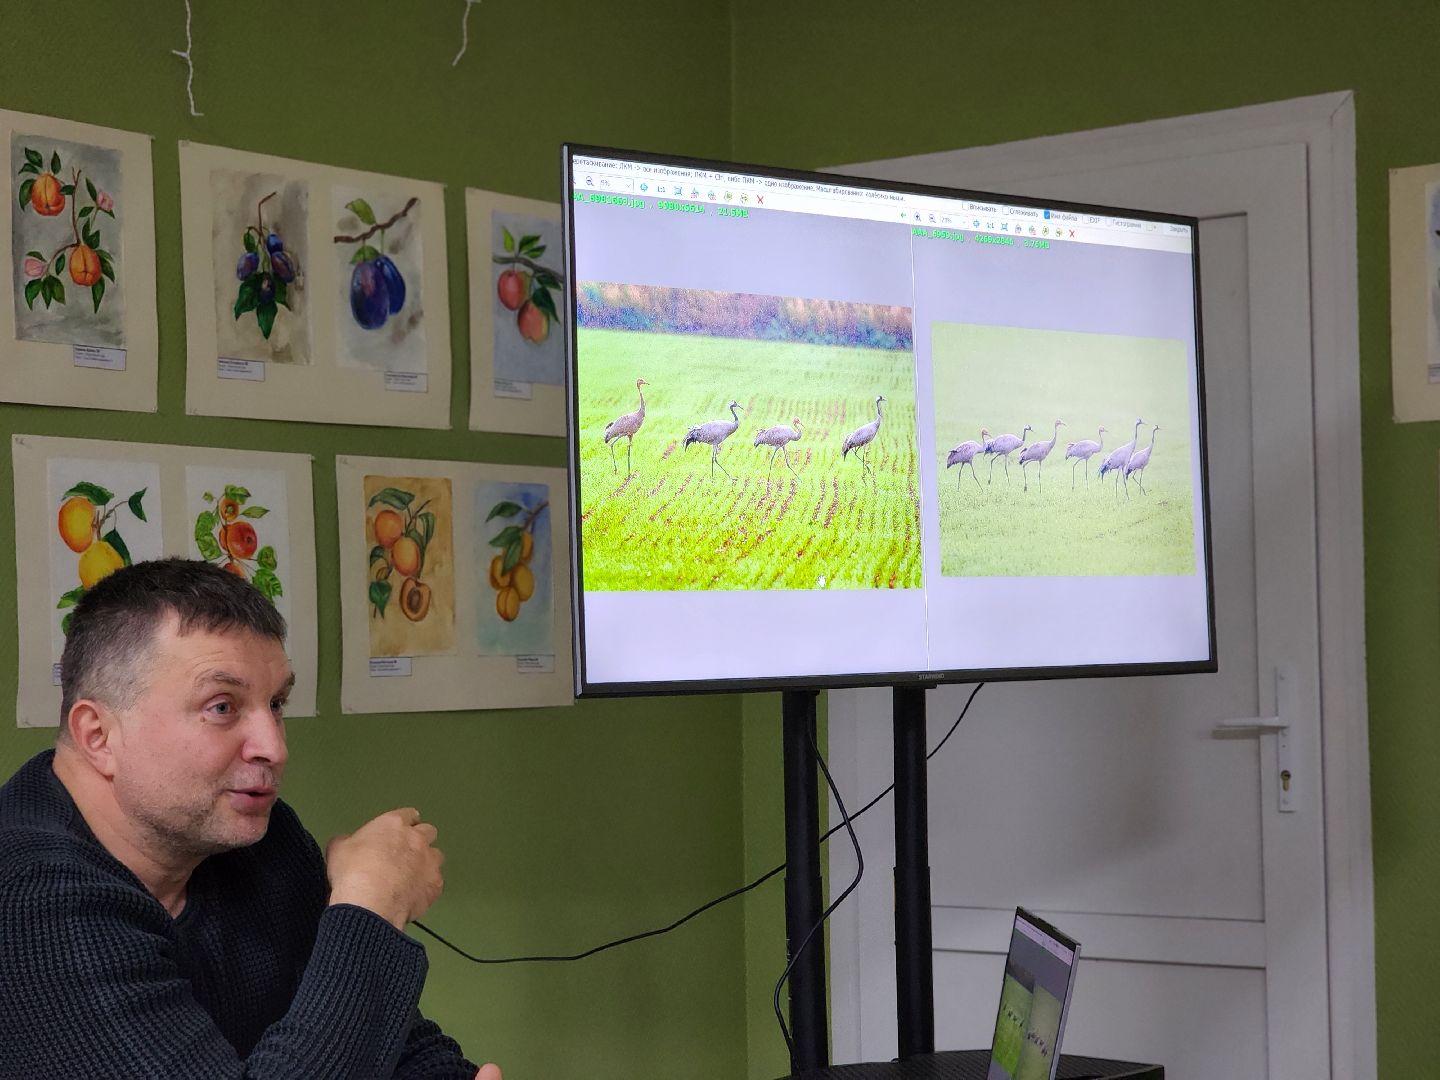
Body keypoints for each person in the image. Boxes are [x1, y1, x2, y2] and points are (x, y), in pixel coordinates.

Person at [0, 558, 503, 1080]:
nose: (274, 748)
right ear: (98, 735)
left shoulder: (261, 840)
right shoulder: (31, 899)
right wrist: (369, 909)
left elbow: (375, 1036)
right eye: (222, 706)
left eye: (276, 703)